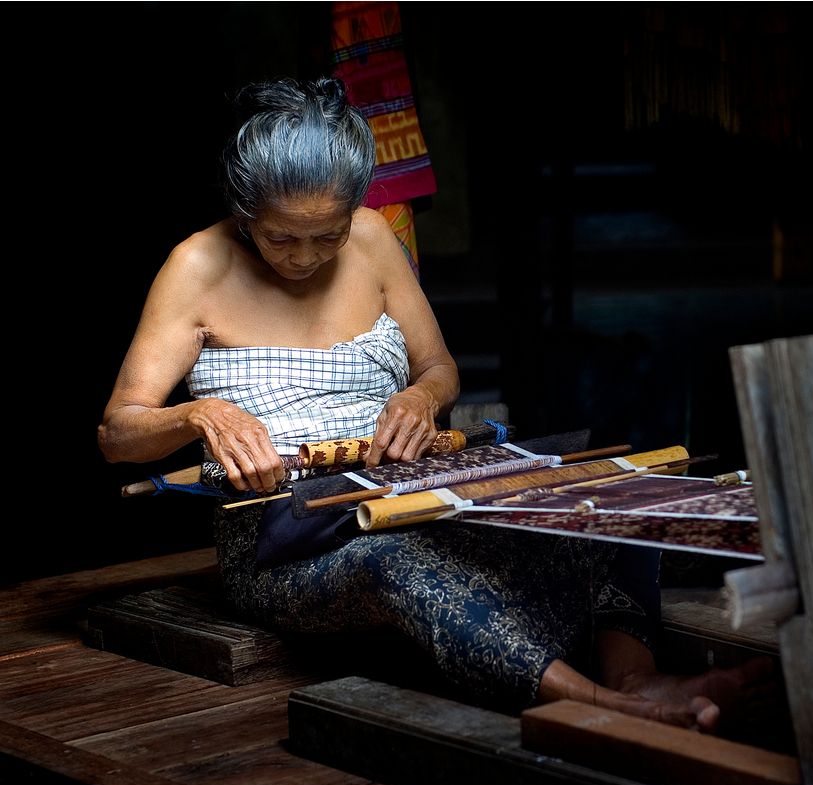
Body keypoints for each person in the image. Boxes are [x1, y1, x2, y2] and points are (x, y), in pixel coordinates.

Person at [99, 77, 768, 731]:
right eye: (280, 238)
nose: (304, 258)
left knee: (591, 504)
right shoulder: (197, 266)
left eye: (325, 236)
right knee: (396, 567)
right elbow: (118, 433)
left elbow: (439, 368)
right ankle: (608, 708)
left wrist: (421, 398)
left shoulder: (370, 239)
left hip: (406, 498)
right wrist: (202, 415)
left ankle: (634, 676)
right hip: (283, 543)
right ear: (244, 211)